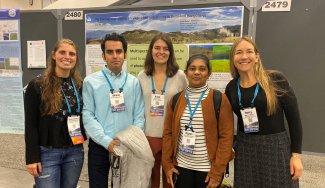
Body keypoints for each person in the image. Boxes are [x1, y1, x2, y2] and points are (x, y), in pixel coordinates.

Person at [225, 37, 303, 187]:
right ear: (233, 58)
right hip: (245, 148)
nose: (244, 56)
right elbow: (227, 122)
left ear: (257, 56)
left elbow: (294, 120)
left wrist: (296, 155)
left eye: (249, 51)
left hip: (275, 148)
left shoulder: (275, 79)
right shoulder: (231, 87)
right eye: (238, 52)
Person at [82, 33, 145, 188]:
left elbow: (139, 116)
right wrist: (107, 141)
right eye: (110, 52)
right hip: (99, 146)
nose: (115, 56)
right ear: (103, 55)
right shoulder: (90, 82)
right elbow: (88, 115)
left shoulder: (133, 83)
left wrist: (128, 141)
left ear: (125, 54)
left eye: (119, 51)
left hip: (127, 147)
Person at [162, 54, 234, 188]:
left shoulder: (219, 99)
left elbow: (226, 137)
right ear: (186, 73)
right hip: (181, 168)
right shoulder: (176, 100)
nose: (196, 72)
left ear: (208, 73)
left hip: (208, 170)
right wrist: (167, 165)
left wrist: (217, 171)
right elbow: (168, 133)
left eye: (202, 69)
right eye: (192, 68)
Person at [24, 39, 86, 188]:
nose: (67, 56)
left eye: (72, 54)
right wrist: (32, 158)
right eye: (62, 52)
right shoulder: (37, 85)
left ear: (76, 58)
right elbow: (30, 124)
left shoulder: (79, 84)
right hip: (47, 153)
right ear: (53, 55)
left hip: (75, 151)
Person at [138, 32, 187, 188]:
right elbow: (138, 107)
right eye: (157, 48)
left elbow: (186, 105)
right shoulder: (142, 76)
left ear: (170, 52)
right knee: (149, 180)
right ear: (151, 51)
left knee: (169, 179)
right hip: (148, 136)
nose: (161, 52)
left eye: (165, 48)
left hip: (171, 137)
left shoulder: (179, 76)